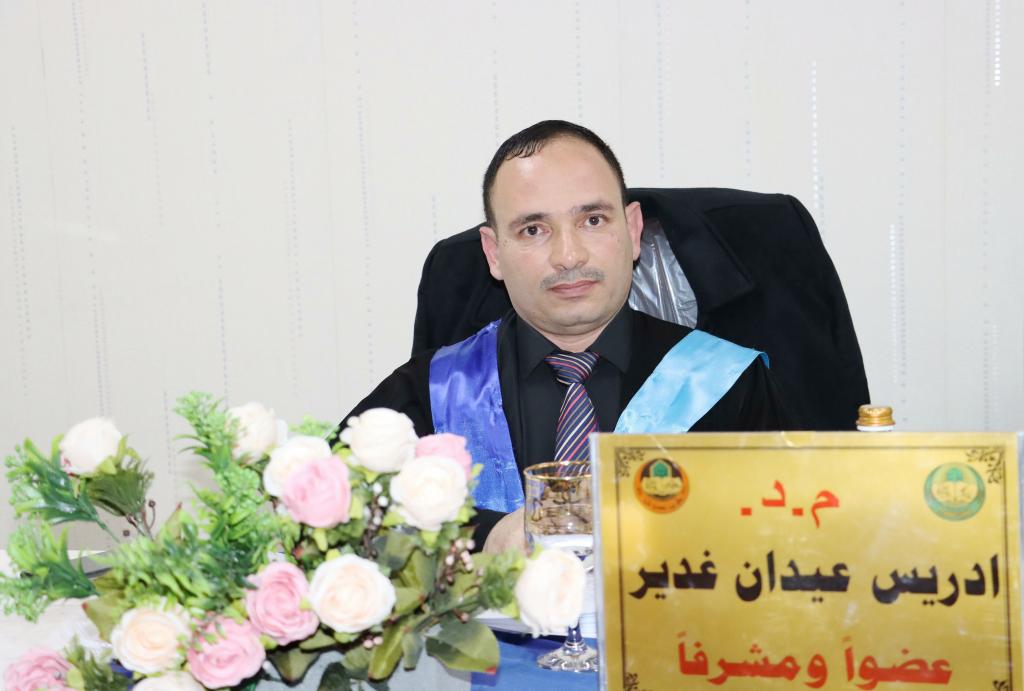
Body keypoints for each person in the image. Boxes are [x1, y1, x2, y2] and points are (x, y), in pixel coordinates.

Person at [339, 120, 792, 553]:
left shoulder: (727, 385)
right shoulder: (431, 391)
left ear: (633, 231)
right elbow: (335, 522)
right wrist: (485, 536)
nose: (569, 255)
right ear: (494, 254)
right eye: (533, 230)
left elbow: (782, 541)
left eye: (592, 220)